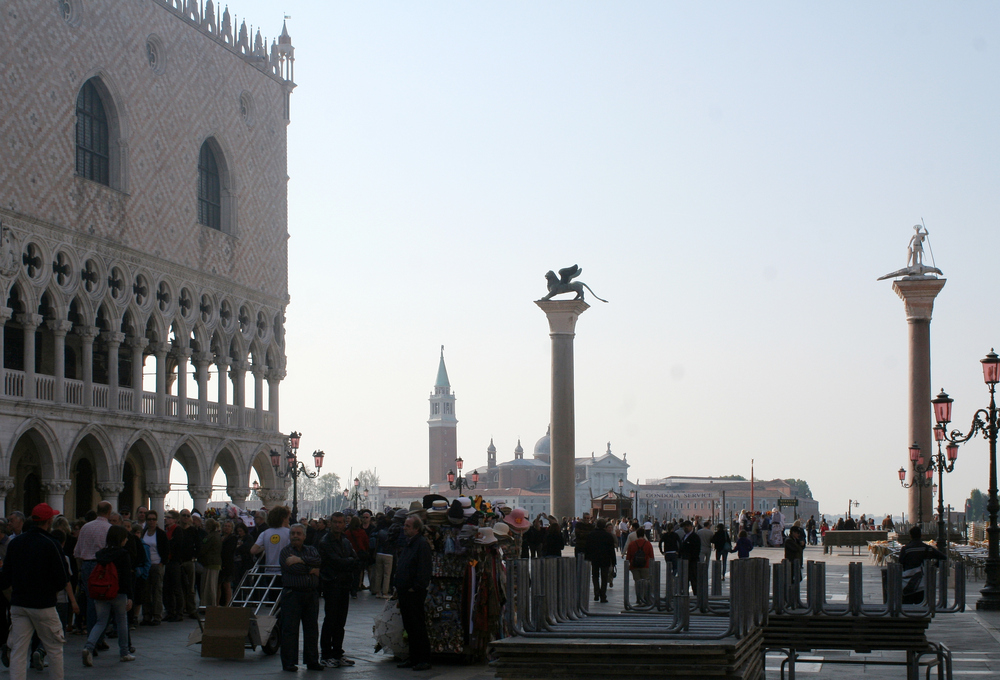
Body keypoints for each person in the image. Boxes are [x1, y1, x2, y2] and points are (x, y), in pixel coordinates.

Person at [0, 504, 69, 680]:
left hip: (19, 604)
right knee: (54, 648)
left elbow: (5, 578)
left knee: (18, 649)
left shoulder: (16, 543)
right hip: (43, 605)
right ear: (49, 521)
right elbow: (62, 579)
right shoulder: (51, 544)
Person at [82, 525, 134, 665]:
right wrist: (129, 596)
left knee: (100, 621)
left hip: (102, 591)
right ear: (121, 539)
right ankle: (124, 652)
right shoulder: (123, 554)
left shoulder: (101, 554)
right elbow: (126, 577)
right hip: (118, 592)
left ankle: (89, 646)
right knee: (122, 621)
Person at [278, 524, 323, 672]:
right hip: (292, 594)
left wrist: (301, 560)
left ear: (304, 536)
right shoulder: (285, 552)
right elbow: (293, 568)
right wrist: (310, 568)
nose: (295, 536)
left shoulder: (312, 549)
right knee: (290, 629)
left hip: (311, 594)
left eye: (298, 533)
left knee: (311, 629)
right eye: (292, 533)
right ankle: (289, 662)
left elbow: (318, 561)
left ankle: (312, 661)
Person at [317, 512, 357, 668]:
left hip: (344, 584)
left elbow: (355, 559)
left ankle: (337, 652)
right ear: (330, 523)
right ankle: (326, 654)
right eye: (335, 522)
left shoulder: (345, 541)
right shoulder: (325, 542)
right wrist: (348, 562)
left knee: (340, 621)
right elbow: (336, 562)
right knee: (330, 620)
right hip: (331, 583)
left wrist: (347, 562)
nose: (338, 525)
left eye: (341, 522)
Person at [395, 516, 432, 672]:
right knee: (409, 626)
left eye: (408, 526)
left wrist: (416, 587)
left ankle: (423, 658)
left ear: (416, 529)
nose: (405, 528)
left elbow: (424, 569)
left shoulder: (421, 544)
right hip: (405, 591)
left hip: (413, 592)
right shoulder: (410, 543)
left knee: (417, 625)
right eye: (405, 525)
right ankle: (413, 656)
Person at [73, 501, 112, 636]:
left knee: (90, 600)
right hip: (101, 565)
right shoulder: (108, 528)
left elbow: (77, 551)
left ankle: (91, 634)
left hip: (86, 564)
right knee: (103, 600)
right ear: (109, 511)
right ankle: (99, 637)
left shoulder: (86, 527)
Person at [898, 526, 946, 604]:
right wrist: (933, 567)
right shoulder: (927, 548)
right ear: (921, 535)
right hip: (922, 580)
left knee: (906, 606)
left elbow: (900, 564)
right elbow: (943, 557)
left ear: (910, 535)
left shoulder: (906, 549)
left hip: (908, 581)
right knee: (921, 605)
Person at [251, 506, 291, 572]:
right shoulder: (289, 532)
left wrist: (265, 547)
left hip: (269, 569)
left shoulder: (265, 533)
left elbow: (253, 550)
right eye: (288, 518)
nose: (289, 521)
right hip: (283, 569)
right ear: (283, 519)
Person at [585, 518, 615, 603]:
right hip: (605, 559)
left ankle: (596, 593)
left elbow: (587, 547)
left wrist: (587, 557)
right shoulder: (608, 536)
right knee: (604, 577)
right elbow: (611, 550)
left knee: (595, 576)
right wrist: (613, 561)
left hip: (594, 559)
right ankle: (603, 596)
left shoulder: (591, 534)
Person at [625, 527, 654, 604]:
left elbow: (628, 556)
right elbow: (652, 556)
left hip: (634, 566)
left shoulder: (632, 544)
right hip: (645, 565)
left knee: (637, 582)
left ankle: (638, 598)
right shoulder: (648, 544)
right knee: (646, 582)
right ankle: (645, 597)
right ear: (644, 534)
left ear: (637, 535)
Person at [199, 518, 222, 608]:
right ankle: (211, 604)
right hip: (215, 563)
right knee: (211, 585)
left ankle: (209, 605)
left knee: (208, 585)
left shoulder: (210, 537)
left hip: (210, 563)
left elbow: (204, 549)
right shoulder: (217, 536)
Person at [344, 516, 369, 598]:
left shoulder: (347, 533)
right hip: (359, 555)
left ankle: (348, 588)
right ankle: (354, 591)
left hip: (349, 554)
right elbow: (366, 543)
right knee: (357, 574)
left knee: (348, 573)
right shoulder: (362, 532)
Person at [679, 520, 701, 595]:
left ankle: (696, 595)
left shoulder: (695, 537)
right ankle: (685, 594)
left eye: (687, 526)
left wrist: (691, 558)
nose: (685, 528)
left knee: (694, 580)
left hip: (692, 562)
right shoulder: (684, 537)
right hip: (685, 562)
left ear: (691, 527)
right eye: (684, 526)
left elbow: (696, 550)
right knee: (685, 579)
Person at [219, 520, 237, 607]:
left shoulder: (232, 538)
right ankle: (218, 603)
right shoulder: (220, 537)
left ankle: (228, 603)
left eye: (228, 526)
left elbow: (228, 550)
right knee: (219, 584)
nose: (226, 527)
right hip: (220, 562)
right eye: (225, 526)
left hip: (228, 563)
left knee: (227, 584)